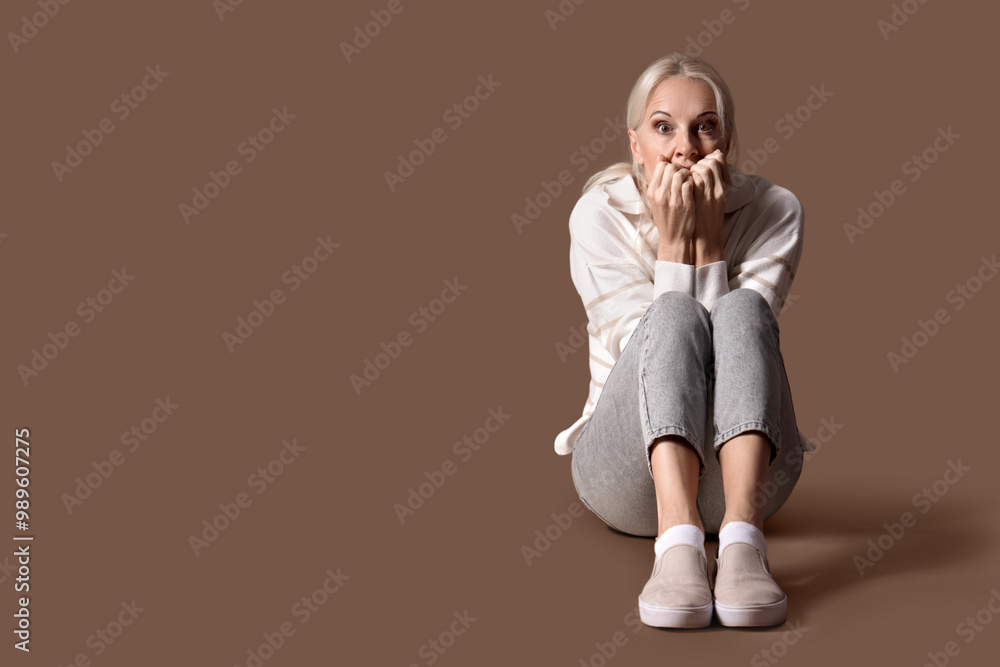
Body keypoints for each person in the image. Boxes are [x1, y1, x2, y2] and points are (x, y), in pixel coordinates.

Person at [553, 52, 816, 629]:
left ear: (726, 139)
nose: (685, 147)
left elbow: (734, 354)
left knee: (745, 309)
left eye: (705, 126)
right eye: (663, 126)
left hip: (746, 477)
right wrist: (676, 248)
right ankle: (676, 544)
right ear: (635, 144)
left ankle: (745, 544)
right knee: (669, 314)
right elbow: (641, 356)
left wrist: (710, 238)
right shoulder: (598, 215)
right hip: (626, 478)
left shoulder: (776, 211)